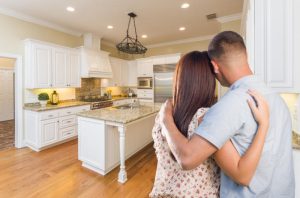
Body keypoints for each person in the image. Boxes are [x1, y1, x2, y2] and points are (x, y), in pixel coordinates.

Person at [159, 31, 295, 197]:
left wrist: (166, 118)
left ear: (215, 66)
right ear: (245, 55)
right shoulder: (277, 100)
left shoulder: (228, 106)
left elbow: (187, 159)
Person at [150, 51, 270, 197]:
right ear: (208, 81)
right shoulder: (206, 118)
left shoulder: (164, 113)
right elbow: (242, 175)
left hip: (161, 193)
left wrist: (165, 119)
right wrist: (264, 124)